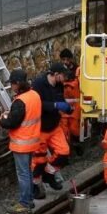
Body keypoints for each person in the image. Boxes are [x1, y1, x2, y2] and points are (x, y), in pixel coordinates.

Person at [0, 69, 42, 214]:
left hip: (21, 143)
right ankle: (29, 199)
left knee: (23, 174)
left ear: (17, 84)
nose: (11, 87)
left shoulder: (20, 100)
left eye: (12, 84)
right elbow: (26, 116)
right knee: (28, 171)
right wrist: (11, 115)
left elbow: (13, 123)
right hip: (32, 140)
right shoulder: (34, 95)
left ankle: (25, 203)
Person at [30, 63, 73, 198]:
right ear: (55, 74)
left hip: (54, 126)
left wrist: (65, 107)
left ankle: (49, 174)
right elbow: (37, 104)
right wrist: (55, 105)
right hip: (40, 128)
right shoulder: (39, 84)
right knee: (38, 160)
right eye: (63, 75)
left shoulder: (59, 85)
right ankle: (35, 185)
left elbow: (60, 100)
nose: (65, 79)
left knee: (64, 152)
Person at [58, 48, 82, 149]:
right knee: (64, 127)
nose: (65, 62)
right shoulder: (59, 70)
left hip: (76, 104)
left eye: (67, 59)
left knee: (74, 127)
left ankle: (76, 143)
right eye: (63, 60)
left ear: (71, 59)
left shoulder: (77, 69)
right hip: (64, 104)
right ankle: (66, 147)